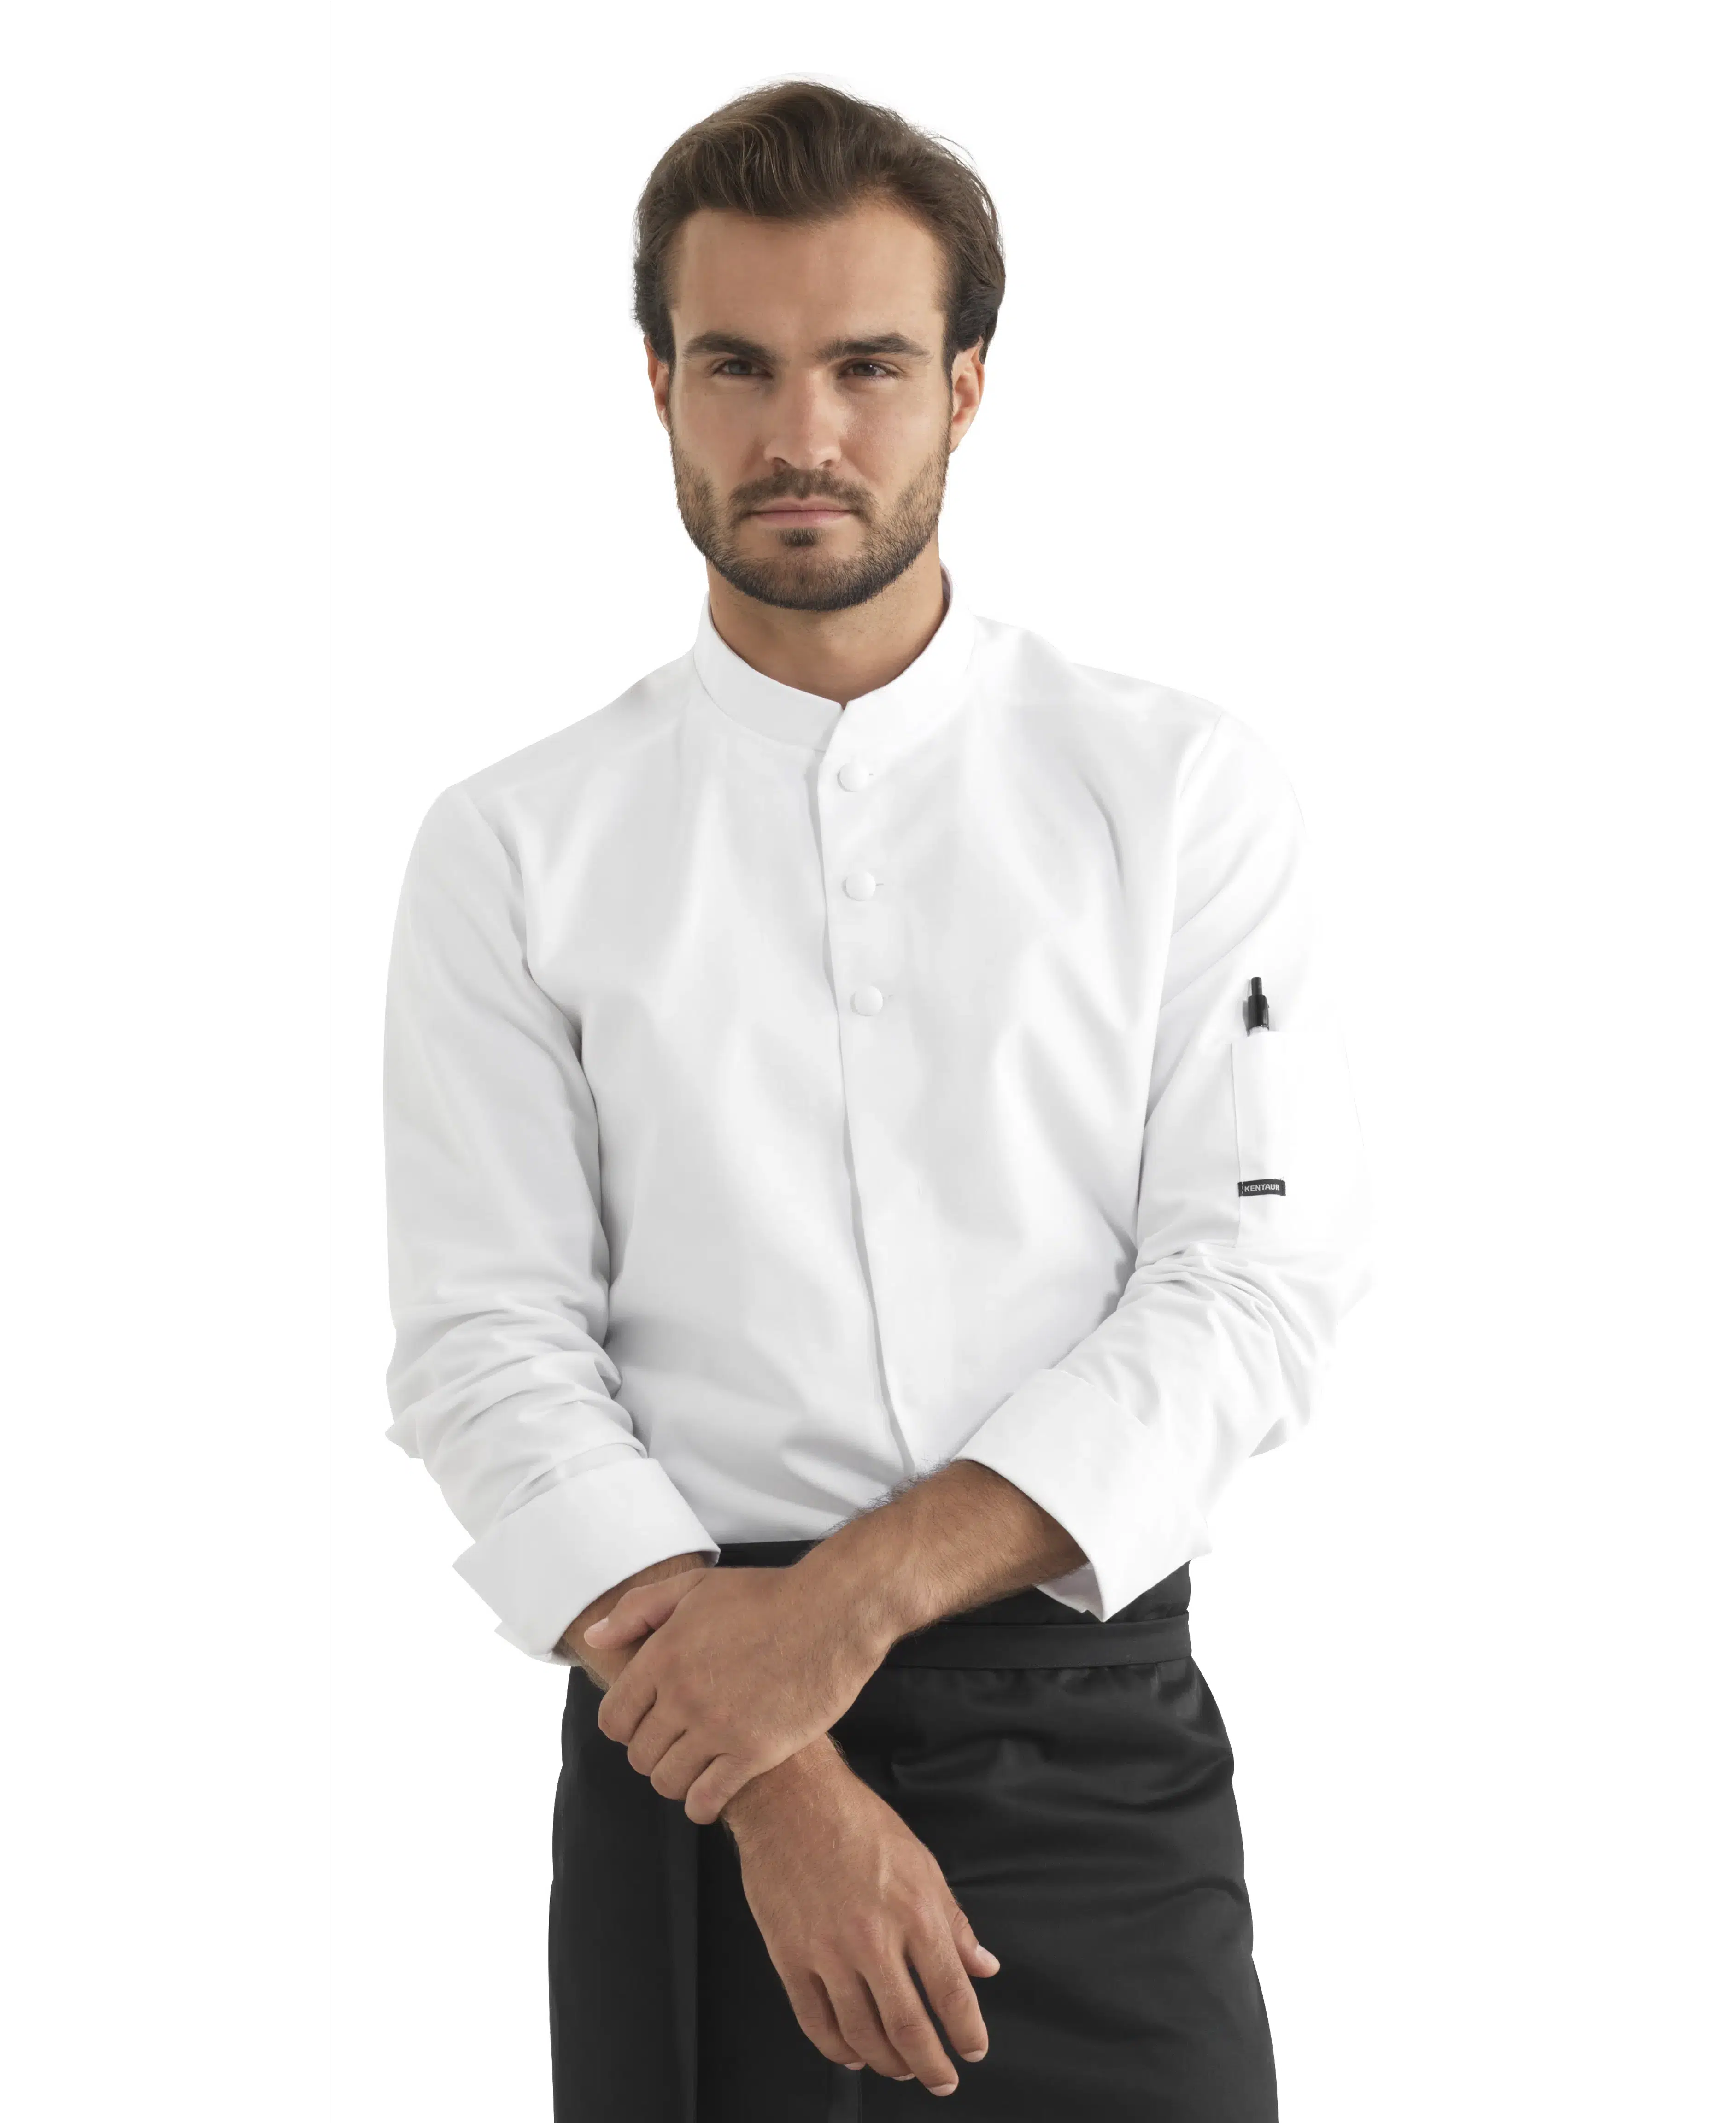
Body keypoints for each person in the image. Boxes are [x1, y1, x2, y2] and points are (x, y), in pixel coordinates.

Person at [384, 78, 1372, 2122]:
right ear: (658, 386)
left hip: (1090, 1722)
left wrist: (834, 1617)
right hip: (683, 1734)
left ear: (968, 386)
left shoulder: (1180, 791)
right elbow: (487, 1348)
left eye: (867, 365)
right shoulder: (514, 843)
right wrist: (773, 1769)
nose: (802, 435)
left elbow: (1246, 1290)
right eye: (737, 366)